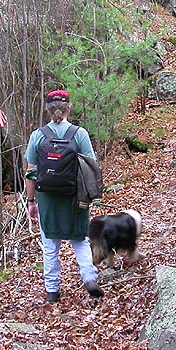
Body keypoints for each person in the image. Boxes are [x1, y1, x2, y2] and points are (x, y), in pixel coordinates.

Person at [24, 89, 103, 303]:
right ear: (69, 108)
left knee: (50, 246)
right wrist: (91, 197)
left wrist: (31, 201)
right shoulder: (80, 134)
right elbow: (90, 168)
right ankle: (89, 278)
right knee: (79, 239)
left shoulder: (38, 136)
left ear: (48, 110)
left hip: (47, 199)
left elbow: (31, 173)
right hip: (74, 198)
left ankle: (52, 292)